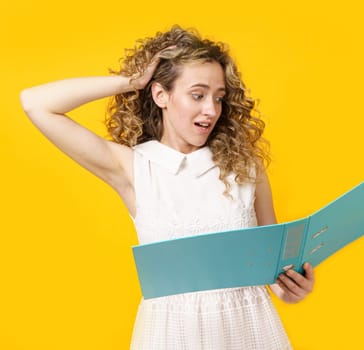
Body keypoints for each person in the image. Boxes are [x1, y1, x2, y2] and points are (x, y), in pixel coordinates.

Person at [20, 25, 315, 349]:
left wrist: (289, 287)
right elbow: (36, 102)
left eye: (218, 97)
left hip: (249, 329)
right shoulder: (135, 167)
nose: (211, 110)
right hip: (170, 334)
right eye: (197, 95)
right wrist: (129, 82)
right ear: (160, 95)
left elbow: (272, 267)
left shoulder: (245, 167)